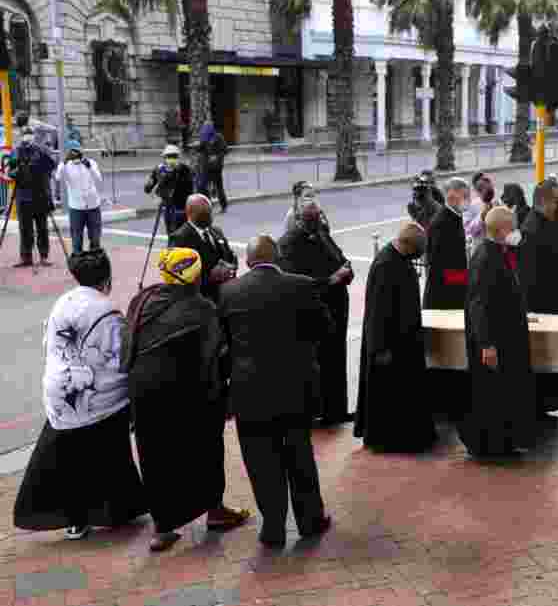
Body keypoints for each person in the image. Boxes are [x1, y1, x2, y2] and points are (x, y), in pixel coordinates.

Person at [122, 247, 250, 552]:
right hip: (189, 397)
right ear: (195, 278)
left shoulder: (143, 299)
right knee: (205, 451)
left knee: (155, 459)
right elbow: (213, 358)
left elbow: (127, 346)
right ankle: (214, 511)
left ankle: (162, 528)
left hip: (144, 394)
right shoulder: (202, 309)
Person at [14, 250, 147, 540]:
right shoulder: (108, 311)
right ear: (106, 278)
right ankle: (115, 512)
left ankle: (75, 521)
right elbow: (119, 360)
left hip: (58, 394)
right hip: (94, 397)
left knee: (68, 460)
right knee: (110, 453)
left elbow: (49, 344)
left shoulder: (64, 301)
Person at [219, 235, 333, 548]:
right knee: (300, 455)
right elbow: (325, 328)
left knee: (260, 461)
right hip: (295, 388)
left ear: (247, 261)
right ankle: (311, 521)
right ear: (278, 257)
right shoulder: (302, 285)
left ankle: (273, 526)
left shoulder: (229, 292)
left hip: (250, 391)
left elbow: (223, 343)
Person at [458, 207, 536, 457]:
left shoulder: (494, 252)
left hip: (503, 335)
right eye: (512, 226)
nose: (516, 230)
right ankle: (489, 445)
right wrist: (486, 344)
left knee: (501, 393)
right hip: (494, 340)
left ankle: (502, 442)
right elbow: (478, 304)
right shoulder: (486, 257)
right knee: (491, 395)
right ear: (502, 229)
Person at [354, 222, 437, 453]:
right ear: (409, 245)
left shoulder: (397, 259)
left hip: (403, 342)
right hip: (390, 346)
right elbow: (378, 312)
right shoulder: (385, 265)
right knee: (389, 398)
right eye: (420, 248)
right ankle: (391, 440)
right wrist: (380, 348)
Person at [278, 201, 355, 425]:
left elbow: (339, 257)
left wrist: (347, 270)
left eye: (318, 217)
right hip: (314, 312)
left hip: (337, 308)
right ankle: (316, 411)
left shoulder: (322, 234)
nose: (317, 223)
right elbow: (295, 282)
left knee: (336, 360)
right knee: (318, 363)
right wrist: (331, 280)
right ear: (300, 219)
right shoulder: (289, 244)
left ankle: (336, 410)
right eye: (311, 219)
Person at [519, 178, 558, 414]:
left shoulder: (552, 222)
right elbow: (529, 277)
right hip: (543, 305)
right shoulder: (532, 229)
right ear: (544, 200)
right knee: (544, 358)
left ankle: (551, 402)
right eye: (557, 200)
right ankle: (539, 404)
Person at [168, 194, 238, 305]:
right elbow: (179, 277)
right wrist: (211, 277)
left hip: (225, 296)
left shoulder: (216, 231)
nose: (209, 217)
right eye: (203, 214)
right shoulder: (179, 239)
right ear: (189, 213)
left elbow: (231, 257)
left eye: (210, 213)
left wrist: (230, 268)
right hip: (200, 302)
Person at [6, 126, 56, 267]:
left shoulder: (40, 150)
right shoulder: (16, 151)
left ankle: (44, 256)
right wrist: (19, 171)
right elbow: (10, 171)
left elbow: (52, 165)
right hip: (23, 196)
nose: (28, 137)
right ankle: (26, 257)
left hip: (40, 195)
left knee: (42, 228)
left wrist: (41, 153)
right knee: (25, 229)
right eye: (25, 134)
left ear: (34, 136)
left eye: (30, 134)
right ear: (21, 136)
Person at [423, 178, 471, 310]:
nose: (469, 200)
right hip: (444, 299)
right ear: (451, 196)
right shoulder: (441, 224)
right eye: (465, 196)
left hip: (452, 293)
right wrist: (467, 278)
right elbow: (439, 265)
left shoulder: (454, 216)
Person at [55, 143, 103, 254]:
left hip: (93, 206)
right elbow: (58, 176)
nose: (76, 156)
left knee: (95, 238)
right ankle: (79, 261)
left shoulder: (90, 163)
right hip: (76, 207)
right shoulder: (66, 166)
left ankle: (95, 260)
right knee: (77, 239)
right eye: (73, 153)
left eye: (77, 152)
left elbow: (99, 179)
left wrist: (89, 167)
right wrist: (64, 162)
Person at [144, 145, 195, 236]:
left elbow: (190, 188)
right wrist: (152, 187)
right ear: (164, 158)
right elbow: (148, 188)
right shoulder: (159, 169)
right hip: (167, 206)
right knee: (170, 233)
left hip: (181, 208)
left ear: (178, 157)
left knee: (181, 234)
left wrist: (173, 172)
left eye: (174, 156)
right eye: (169, 156)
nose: (171, 159)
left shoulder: (184, 169)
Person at [196, 122, 230, 213]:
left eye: (207, 129)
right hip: (207, 166)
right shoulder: (205, 138)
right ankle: (207, 204)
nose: (205, 131)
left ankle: (224, 205)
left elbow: (225, 150)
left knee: (219, 186)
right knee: (202, 186)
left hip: (217, 167)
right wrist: (195, 146)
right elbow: (201, 148)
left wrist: (217, 156)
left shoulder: (218, 137)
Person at [465, 172, 497, 252]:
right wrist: (482, 216)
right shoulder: (471, 206)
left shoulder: (497, 202)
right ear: (477, 189)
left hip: (496, 248)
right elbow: (467, 230)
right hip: (480, 249)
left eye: (488, 183)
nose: (488, 187)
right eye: (482, 186)